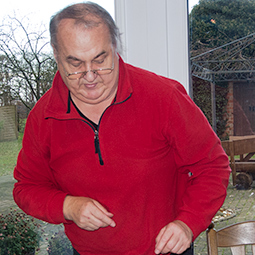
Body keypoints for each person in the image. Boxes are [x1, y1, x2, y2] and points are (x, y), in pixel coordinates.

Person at [13, 2, 231, 255]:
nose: (90, 75)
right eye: (75, 63)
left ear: (115, 46)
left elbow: (212, 167)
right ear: (56, 53)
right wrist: (67, 206)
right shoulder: (43, 117)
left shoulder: (164, 98)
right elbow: (26, 188)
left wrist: (187, 223)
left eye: (100, 59)